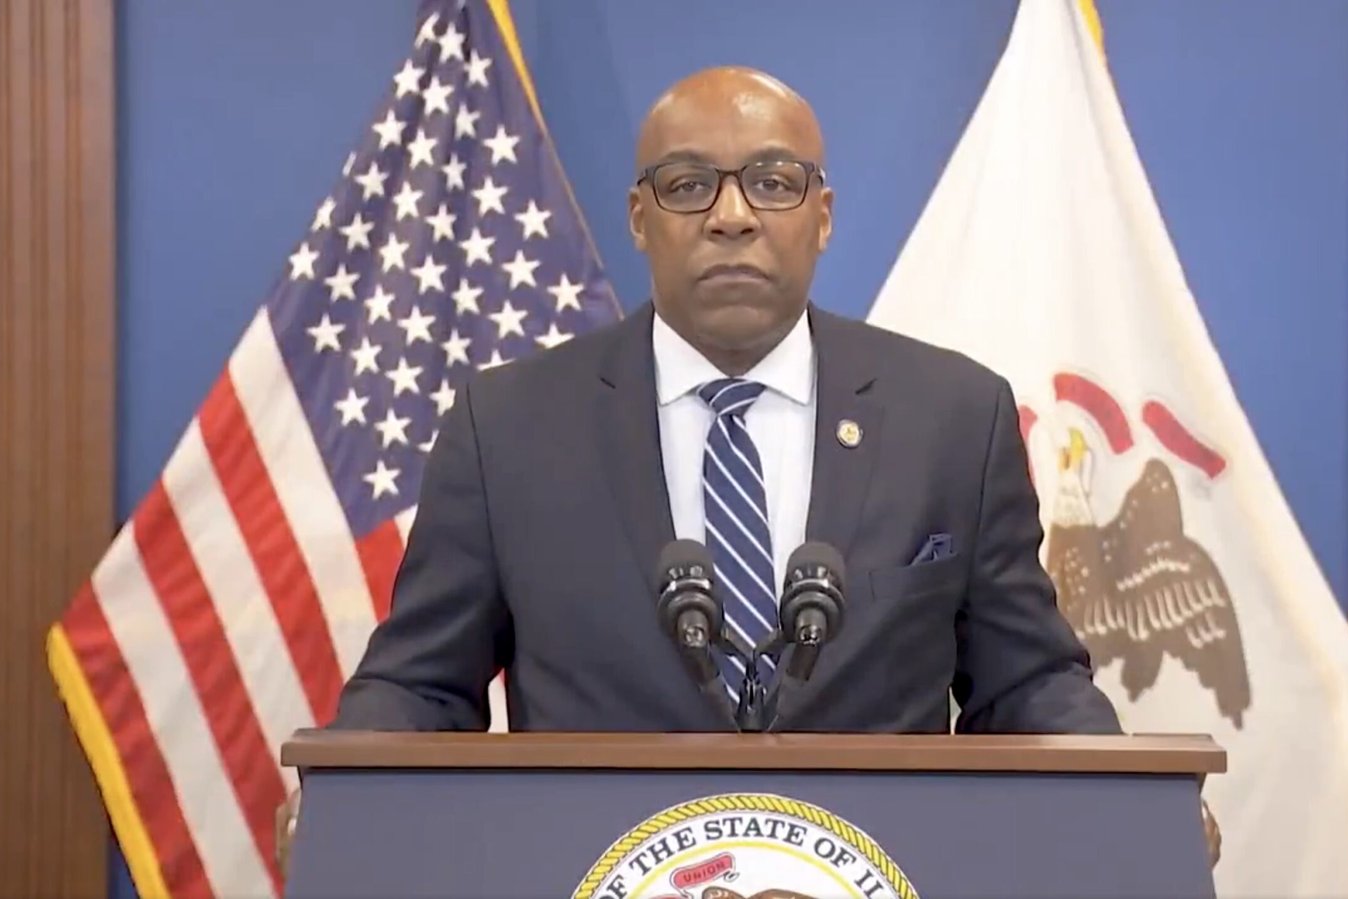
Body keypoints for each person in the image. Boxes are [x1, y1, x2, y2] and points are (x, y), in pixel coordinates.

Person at [297, 64, 1219, 869]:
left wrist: (1127, 792)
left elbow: (1025, 681)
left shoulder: (952, 417)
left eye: (773, 182)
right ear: (640, 219)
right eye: (689, 184)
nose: (732, 216)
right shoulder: (507, 426)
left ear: (821, 218)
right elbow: (422, 679)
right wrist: (340, 788)